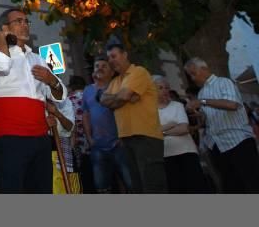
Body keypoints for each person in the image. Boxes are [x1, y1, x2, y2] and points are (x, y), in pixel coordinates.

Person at [0, 8, 66, 193]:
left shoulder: (38, 59)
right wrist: (0, 39)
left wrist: (52, 81)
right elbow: (1, 66)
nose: (25, 25)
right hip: (11, 137)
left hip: (40, 138)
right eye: (18, 21)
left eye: (26, 21)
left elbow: (59, 95)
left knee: (42, 191)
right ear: (5, 27)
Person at [99, 40, 166, 193]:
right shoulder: (116, 81)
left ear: (125, 55)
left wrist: (118, 98)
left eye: (114, 56)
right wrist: (121, 98)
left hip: (146, 136)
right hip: (126, 138)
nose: (111, 61)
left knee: (153, 185)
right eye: (109, 58)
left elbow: (122, 96)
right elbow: (104, 100)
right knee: (137, 187)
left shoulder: (138, 72)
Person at [184, 57, 259, 193]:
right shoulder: (201, 92)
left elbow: (232, 104)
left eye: (193, 73)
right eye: (190, 75)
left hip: (238, 141)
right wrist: (201, 117)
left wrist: (202, 102)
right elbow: (210, 120)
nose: (192, 78)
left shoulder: (223, 82)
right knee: (232, 188)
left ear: (204, 69)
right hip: (217, 146)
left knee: (252, 185)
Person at [82, 56, 132, 193]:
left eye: (104, 66)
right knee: (102, 187)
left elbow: (127, 111)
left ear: (111, 72)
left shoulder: (119, 87)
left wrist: (123, 136)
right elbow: (85, 115)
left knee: (131, 183)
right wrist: (90, 138)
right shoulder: (87, 90)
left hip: (119, 143)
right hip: (97, 145)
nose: (99, 68)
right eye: (97, 66)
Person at [153, 75, 206, 193]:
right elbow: (152, 133)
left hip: (186, 152)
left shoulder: (177, 105)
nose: (165, 91)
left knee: (197, 188)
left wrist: (163, 131)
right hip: (165, 155)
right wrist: (171, 124)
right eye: (160, 88)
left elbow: (184, 129)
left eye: (167, 88)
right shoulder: (150, 111)